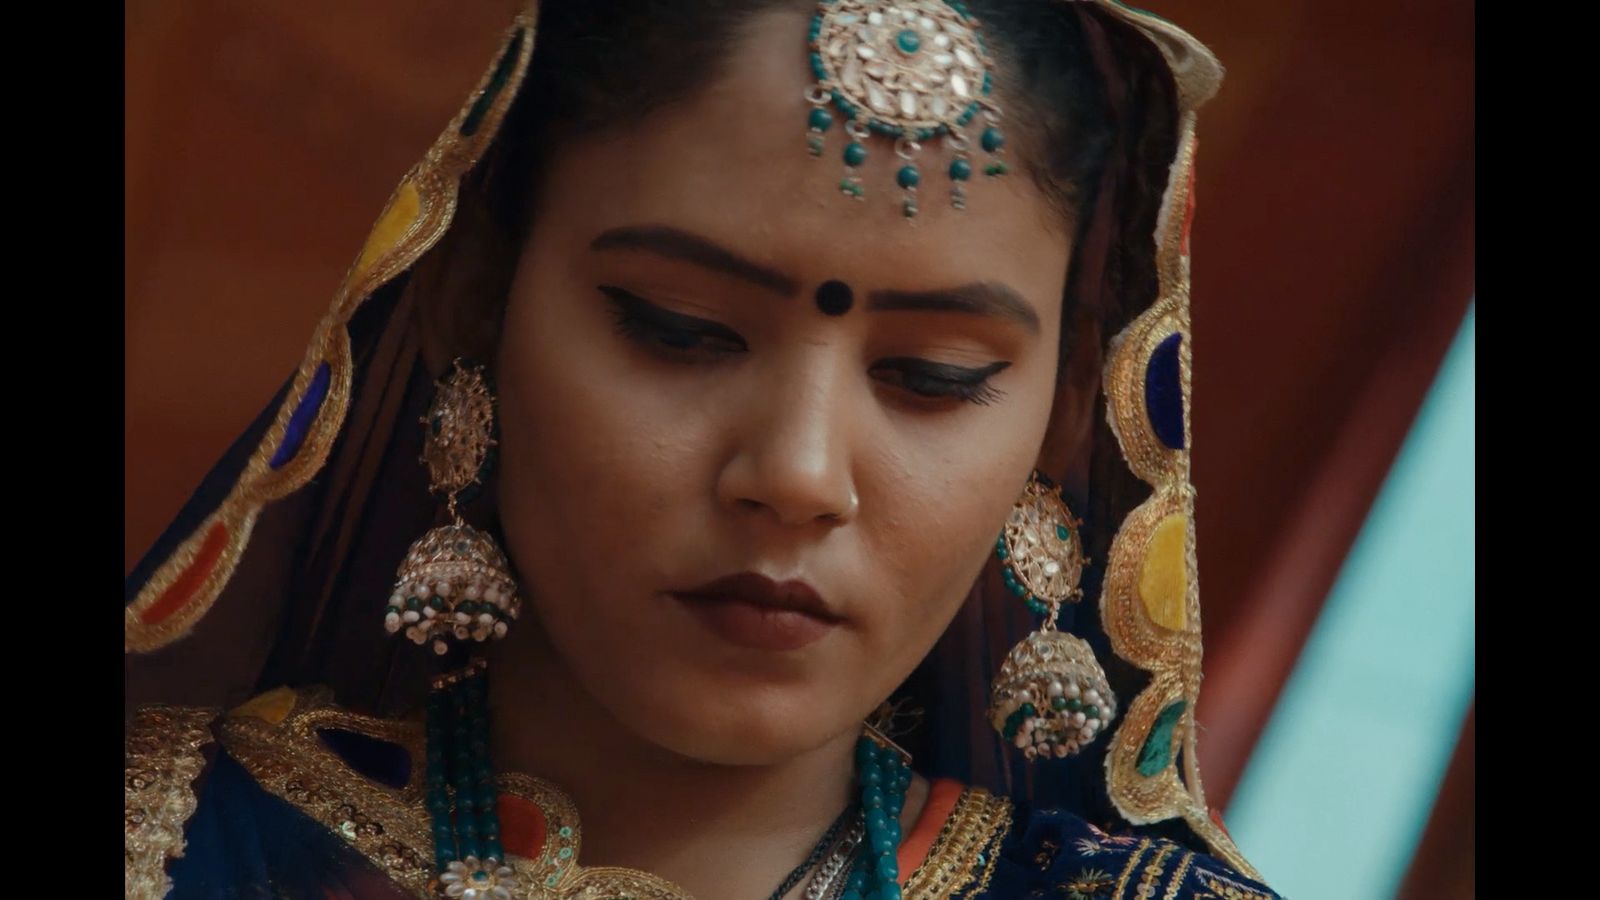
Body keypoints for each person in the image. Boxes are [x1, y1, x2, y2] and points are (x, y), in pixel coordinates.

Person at [125, 1, 1282, 897]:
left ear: (1068, 408)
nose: (796, 474)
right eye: (680, 330)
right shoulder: (167, 843)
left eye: (934, 376)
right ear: (470, 297)